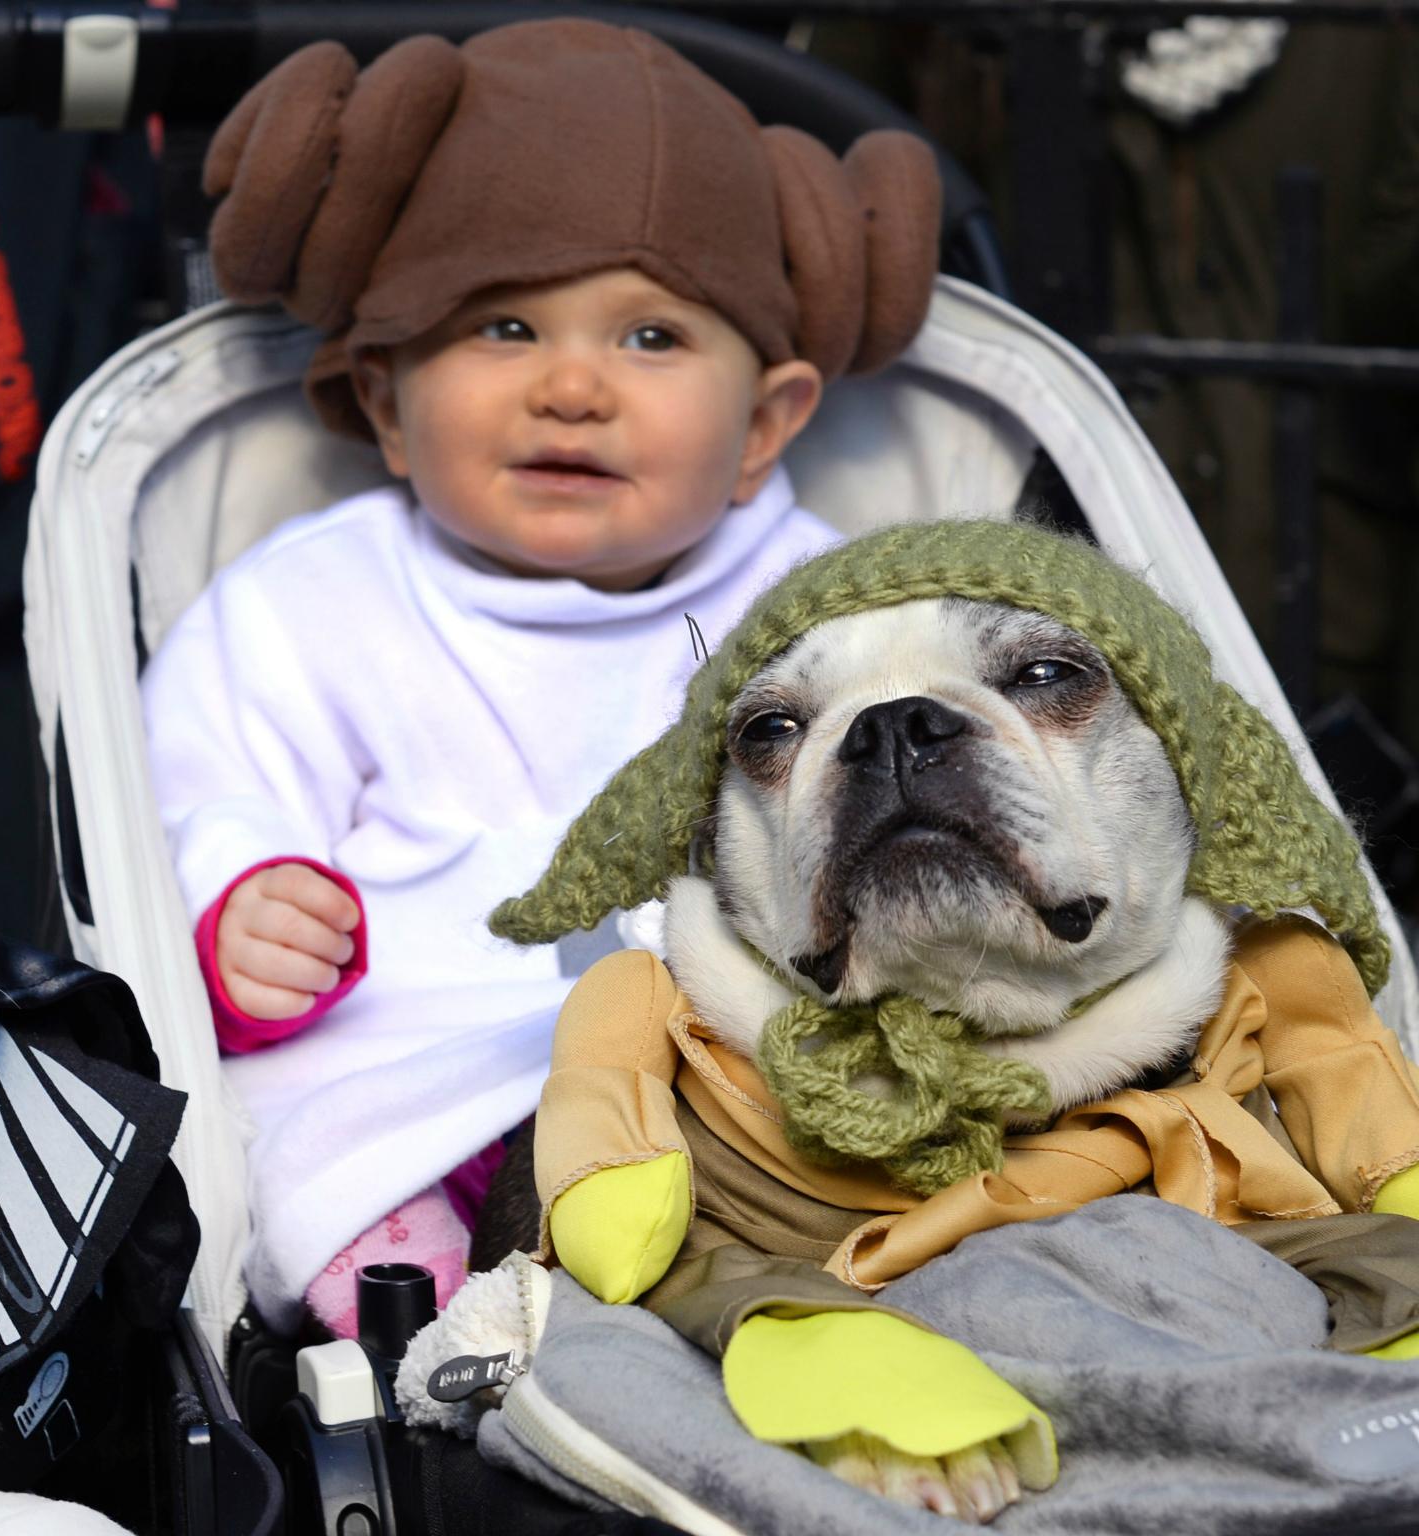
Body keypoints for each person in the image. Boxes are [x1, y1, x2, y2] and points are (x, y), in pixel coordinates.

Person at [141, 17, 941, 1335]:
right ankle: (440, 1332)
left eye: (652, 340)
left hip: (721, 1059)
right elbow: (203, 790)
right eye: (505, 327)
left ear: (764, 426)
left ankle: (767, 1300)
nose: (573, 389)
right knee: (304, 1174)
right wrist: (243, 905)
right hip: (410, 1063)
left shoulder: (833, 600)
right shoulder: (306, 601)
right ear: (388, 404)